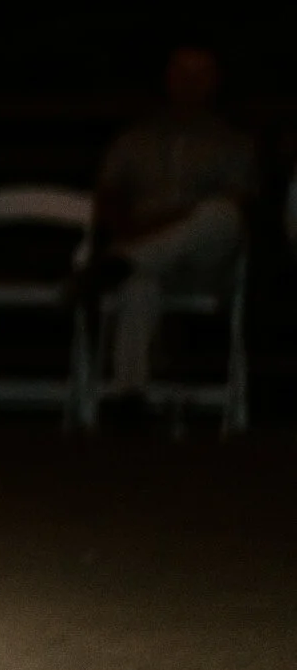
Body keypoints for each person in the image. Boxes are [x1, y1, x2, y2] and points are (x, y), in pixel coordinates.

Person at [86, 44, 253, 421]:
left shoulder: (233, 143)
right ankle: (129, 394)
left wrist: (161, 224)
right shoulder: (134, 139)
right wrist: (135, 229)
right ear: (167, 78)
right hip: (143, 245)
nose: (190, 82)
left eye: (200, 73)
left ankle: (121, 263)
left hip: (203, 260)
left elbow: (239, 204)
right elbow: (108, 197)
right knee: (137, 281)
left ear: (215, 81)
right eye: (182, 72)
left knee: (221, 216)